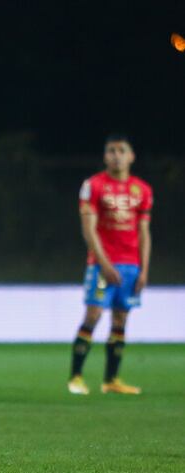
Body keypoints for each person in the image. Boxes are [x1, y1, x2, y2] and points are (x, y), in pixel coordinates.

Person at [68, 134, 152, 395]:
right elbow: (88, 229)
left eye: (121, 150)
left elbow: (144, 233)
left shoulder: (143, 190)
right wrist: (103, 263)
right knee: (93, 315)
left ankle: (111, 380)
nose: (117, 155)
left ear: (131, 156)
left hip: (131, 266)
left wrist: (144, 270)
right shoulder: (94, 185)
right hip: (102, 265)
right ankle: (76, 378)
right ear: (105, 156)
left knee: (120, 319)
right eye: (111, 151)